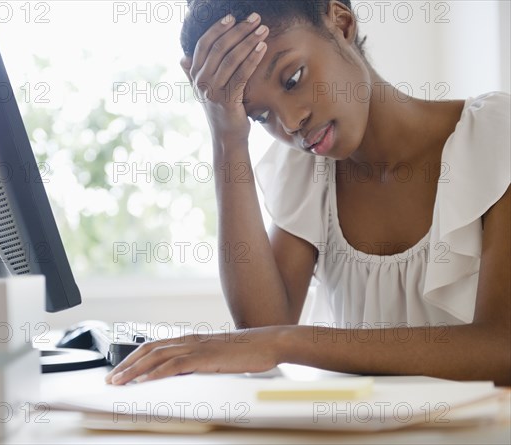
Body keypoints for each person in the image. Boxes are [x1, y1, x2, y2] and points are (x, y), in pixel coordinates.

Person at [107, 0, 510, 386]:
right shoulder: (308, 172)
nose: (291, 122)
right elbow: (260, 331)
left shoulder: (495, 137)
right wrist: (228, 139)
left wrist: (286, 342)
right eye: (259, 115)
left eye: (293, 78)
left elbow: (501, 350)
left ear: (342, 23)